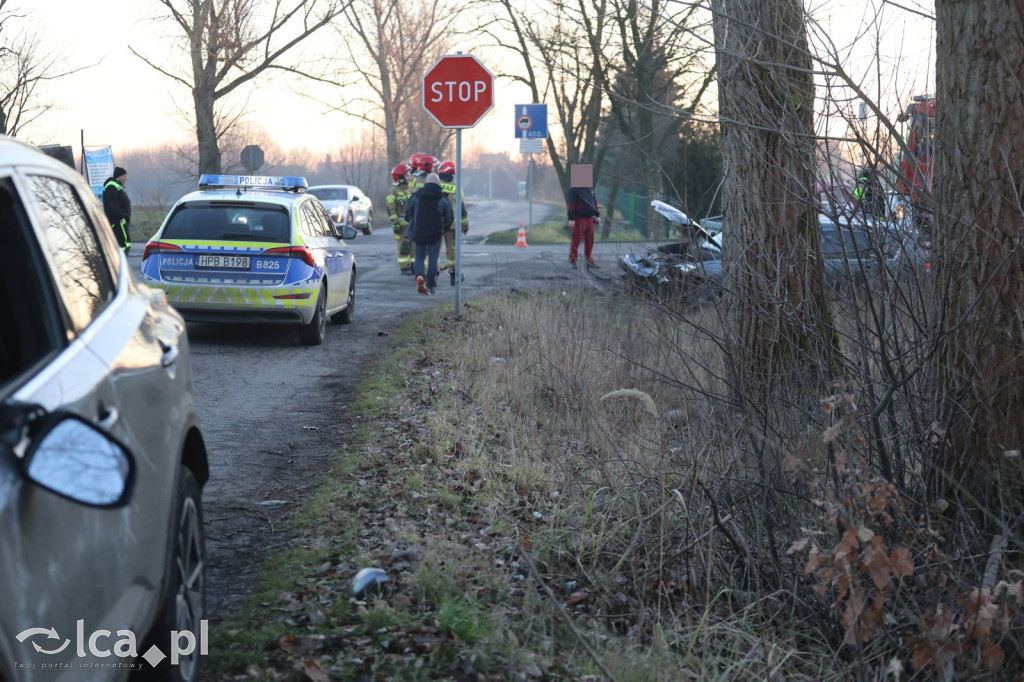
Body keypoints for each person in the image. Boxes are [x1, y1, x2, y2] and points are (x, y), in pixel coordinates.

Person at [404, 172, 452, 296]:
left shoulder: (416, 195)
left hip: (419, 231)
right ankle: (431, 285)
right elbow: (449, 215)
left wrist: (413, 222)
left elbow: (408, 212)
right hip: (436, 232)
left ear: (426, 182)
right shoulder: (442, 197)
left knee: (419, 257)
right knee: (433, 259)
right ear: (438, 183)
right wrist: (444, 228)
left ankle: (420, 277)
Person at [436, 160, 469, 285]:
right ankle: (454, 276)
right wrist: (465, 226)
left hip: (436, 224)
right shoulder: (456, 188)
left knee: (434, 251)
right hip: (452, 225)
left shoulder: (435, 186)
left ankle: (433, 275)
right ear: (453, 173)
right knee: (452, 250)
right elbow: (462, 209)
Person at [565, 164, 600, 269]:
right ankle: (572, 261)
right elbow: (571, 204)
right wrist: (571, 218)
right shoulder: (574, 190)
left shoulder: (590, 190)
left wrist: (597, 214)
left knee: (590, 241)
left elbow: (594, 203)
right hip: (579, 219)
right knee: (576, 240)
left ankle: (589, 260)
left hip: (590, 219)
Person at [386, 163, 414, 274]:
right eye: (407, 175)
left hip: (412, 224)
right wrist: (395, 222)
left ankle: (413, 266)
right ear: (400, 178)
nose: (409, 177)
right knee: (404, 246)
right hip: (401, 226)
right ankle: (404, 267)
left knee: (414, 246)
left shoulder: (410, 189)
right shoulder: (393, 191)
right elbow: (391, 208)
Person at [103, 166, 132, 254]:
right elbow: (112, 204)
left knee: (125, 245)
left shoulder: (117, 186)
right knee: (122, 246)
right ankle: (119, 265)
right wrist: (121, 217)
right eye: (124, 176)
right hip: (118, 222)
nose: (126, 178)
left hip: (121, 222)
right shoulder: (111, 186)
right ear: (118, 176)